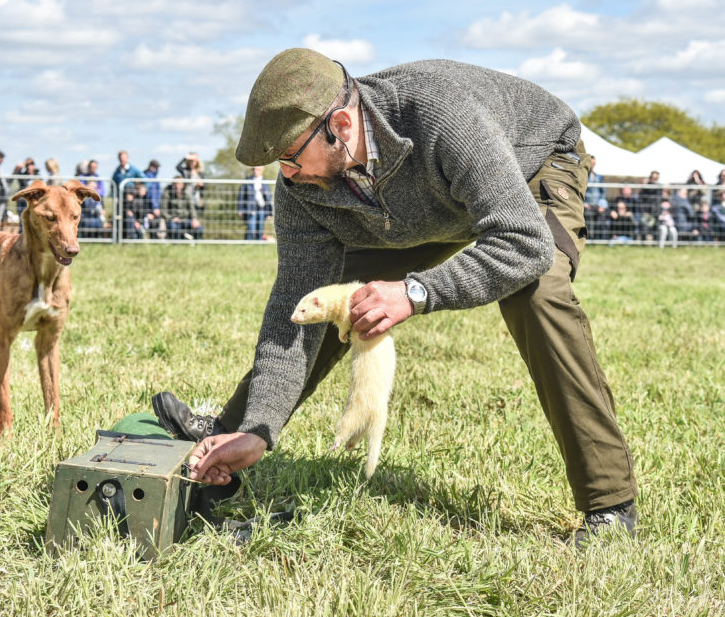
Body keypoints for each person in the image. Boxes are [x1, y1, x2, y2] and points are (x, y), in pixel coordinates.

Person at [156, 48, 637, 545]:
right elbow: (293, 306)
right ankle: (229, 434)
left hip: (531, 165)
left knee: (534, 292)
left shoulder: (443, 117)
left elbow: (524, 243)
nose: (288, 173)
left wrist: (415, 291)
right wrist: (259, 427)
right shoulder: (301, 183)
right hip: (426, 206)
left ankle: (609, 507)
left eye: (290, 156)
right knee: (332, 303)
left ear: (340, 124)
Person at [237, 165, 273, 240]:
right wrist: (240, 209)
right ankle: (248, 245)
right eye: (254, 169)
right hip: (250, 209)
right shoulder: (247, 181)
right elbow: (241, 196)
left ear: (262, 170)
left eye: (258, 169)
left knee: (260, 230)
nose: (256, 171)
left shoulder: (265, 183)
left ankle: (258, 245)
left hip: (262, 209)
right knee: (251, 229)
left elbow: (268, 199)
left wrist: (269, 212)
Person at [583, 155, 607, 240]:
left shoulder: (599, 177)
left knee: (601, 218)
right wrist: (584, 203)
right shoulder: (583, 176)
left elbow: (603, 192)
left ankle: (599, 239)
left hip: (597, 204)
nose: (592, 165)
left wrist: (602, 205)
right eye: (591, 163)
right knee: (587, 220)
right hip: (587, 205)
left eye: (594, 163)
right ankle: (588, 239)